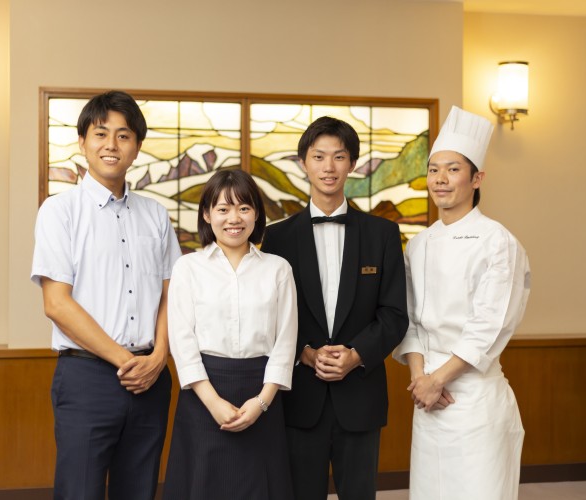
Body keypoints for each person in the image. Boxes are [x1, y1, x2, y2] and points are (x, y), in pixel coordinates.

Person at [31, 90, 182, 500]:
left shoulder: (156, 215)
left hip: (151, 377)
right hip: (88, 378)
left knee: (140, 491)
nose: (111, 145)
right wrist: (126, 360)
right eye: (101, 134)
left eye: (123, 135)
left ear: (137, 147)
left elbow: (171, 294)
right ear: (83, 142)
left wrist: (158, 357)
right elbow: (56, 303)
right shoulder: (59, 212)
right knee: (80, 492)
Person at [261, 116, 409, 500]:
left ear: (352, 164)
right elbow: (270, 315)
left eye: (339, 157)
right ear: (303, 163)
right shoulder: (277, 238)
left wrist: (356, 355)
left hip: (360, 394)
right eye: (319, 156)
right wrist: (306, 353)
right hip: (299, 397)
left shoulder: (383, 234)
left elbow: (394, 314)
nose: (329, 167)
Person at [393, 106, 531, 500]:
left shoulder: (497, 241)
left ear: (477, 178)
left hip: (474, 399)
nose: (440, 179)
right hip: (427, 400)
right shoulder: (419, 244)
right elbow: (409, 320)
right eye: (434, 169)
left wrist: (438, 380)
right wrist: (421, 380)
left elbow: (490, 325)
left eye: (453, 169)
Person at [163, 169, 297, 500]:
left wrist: (261, 403)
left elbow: (285, 342)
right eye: (223, 209)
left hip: (261, 393)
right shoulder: (188, 268)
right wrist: (213, 402)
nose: (234, 218)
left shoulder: (278, 269)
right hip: (203, 393)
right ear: (207, 215)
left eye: (244, 208)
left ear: (256, 214)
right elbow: (182, 342)